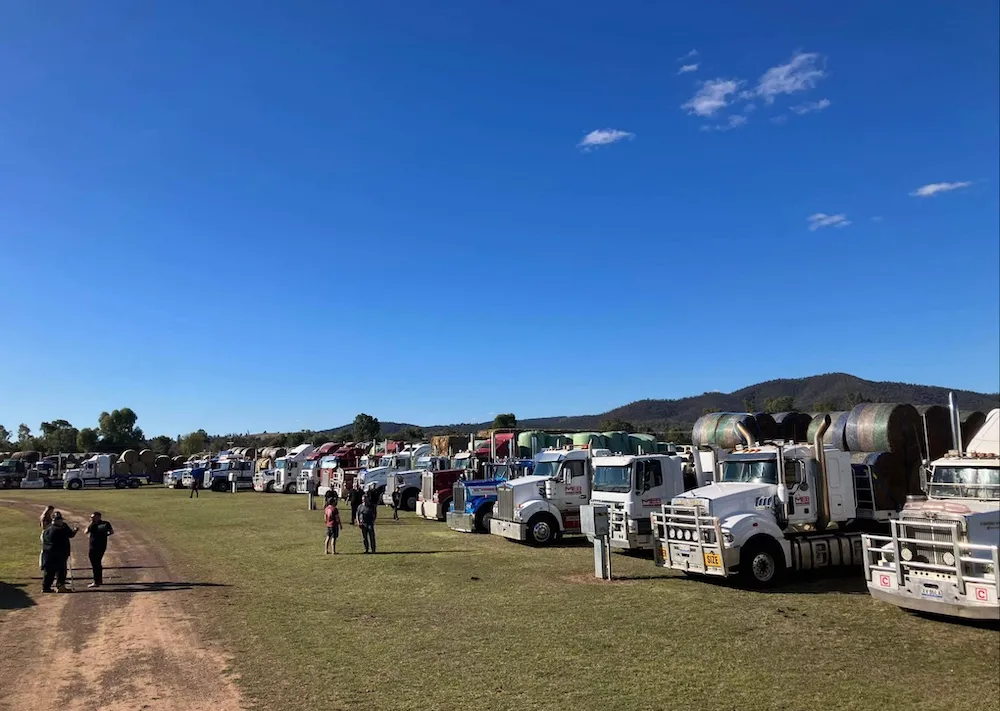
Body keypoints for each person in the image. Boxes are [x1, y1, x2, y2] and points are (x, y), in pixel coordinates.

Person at [41, 512, 78, 593]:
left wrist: (74, 531)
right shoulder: (59, 529)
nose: (61, 521)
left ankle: (46, 587)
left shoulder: (48, 528)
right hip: (58, 554)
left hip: (48, 553)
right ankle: (60, 586)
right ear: (55, 520)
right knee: (61, 570)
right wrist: (75, 531)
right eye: (59, 520)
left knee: (49, 571)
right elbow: (69, 535)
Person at [84, 512, 114, 588]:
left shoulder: (94, 525)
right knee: (97, 563)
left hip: (95, 546)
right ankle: (99, 580)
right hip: (101, 546)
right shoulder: (105, 523)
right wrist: (105, 535)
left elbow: (86, 531)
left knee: (95, 563)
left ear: (98, 517)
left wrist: (91, 523)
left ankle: (96, 581)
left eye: (93, 517)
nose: (91, 518)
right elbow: (111, 532)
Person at [39, 505, 55, 570]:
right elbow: (44, 527)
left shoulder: (46, 516)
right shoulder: (44, 517)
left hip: (47, 534)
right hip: (45, 534)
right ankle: (42, 564)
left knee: (45, 550)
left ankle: (44, 563)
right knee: (44, 549)